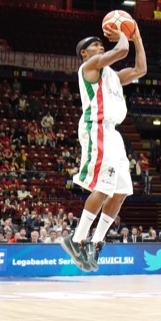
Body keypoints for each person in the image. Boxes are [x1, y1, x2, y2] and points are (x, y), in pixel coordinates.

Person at [61, 26, 147, 271]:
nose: (100, 46)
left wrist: (137, 38)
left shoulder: (112, 76)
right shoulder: (89, 67)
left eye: (101, 43)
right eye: (95, 45)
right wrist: (123, 31)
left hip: (113, 133)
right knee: (104, 186)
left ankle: (96, 242)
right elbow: (121, 50)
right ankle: (76, 238)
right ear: (85, 54)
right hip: (95, 127)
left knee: (120, 192)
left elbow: (141, 69)